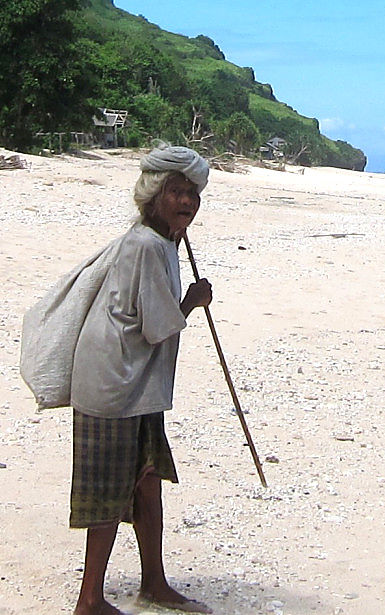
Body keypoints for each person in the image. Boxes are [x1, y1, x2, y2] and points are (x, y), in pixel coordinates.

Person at [65, 145, 213, 615]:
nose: (186, 202)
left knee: (147, 479)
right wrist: (192, 301)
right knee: (109, 491)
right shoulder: (148, 246)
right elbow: (156, 324)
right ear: (154, 196)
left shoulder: (162, 242)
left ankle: (154, 583)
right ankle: (89, 599)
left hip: (137, 385)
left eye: (192, 194)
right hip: (113, 386)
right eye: (176, 192)